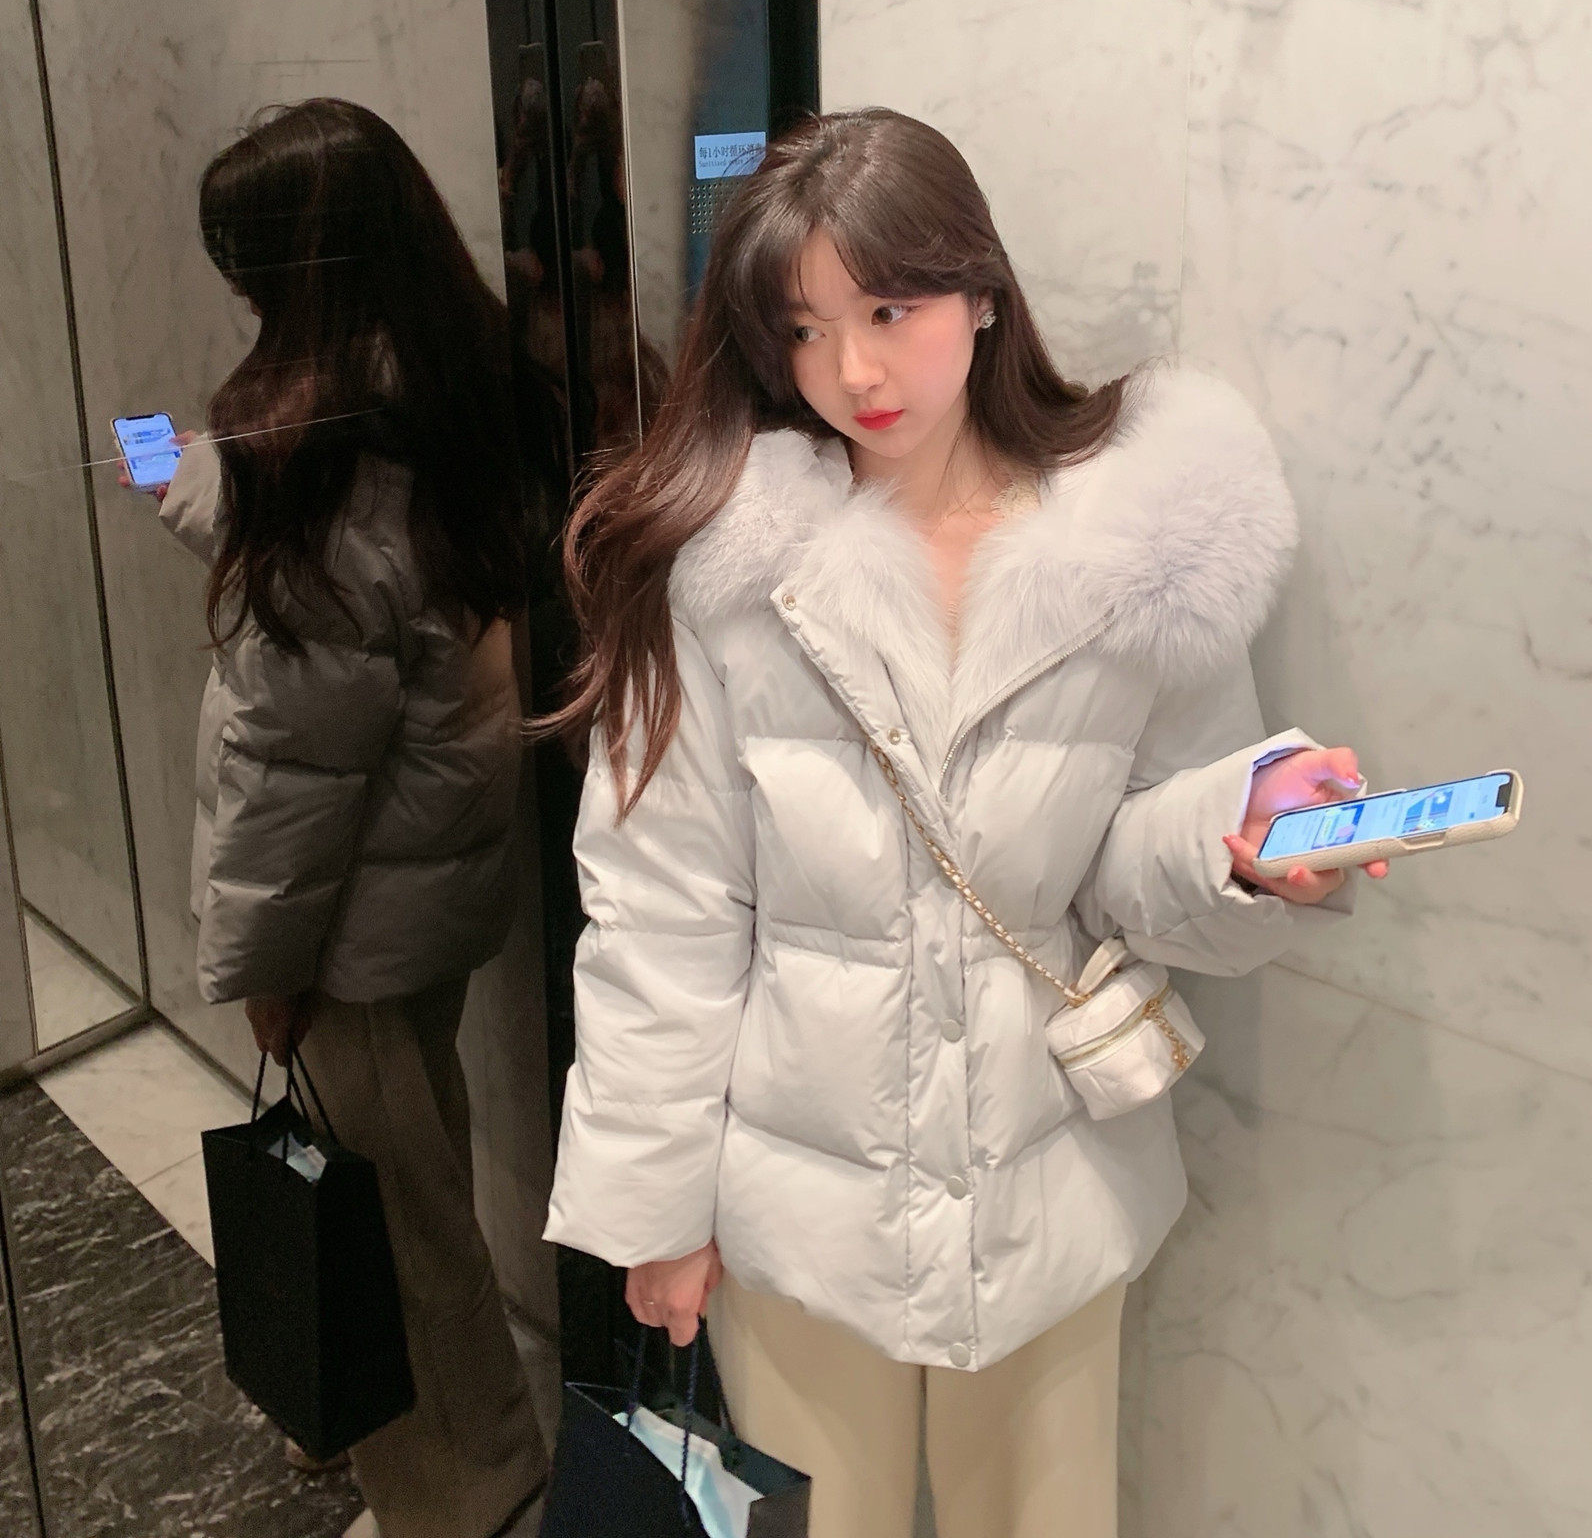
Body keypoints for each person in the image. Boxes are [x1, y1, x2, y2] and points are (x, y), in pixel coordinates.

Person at [541, 109, 1386, 1538]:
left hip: (1049, 1191)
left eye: (891, 310)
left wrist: (1240, 845)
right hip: (803, 1213)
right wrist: (656, 1209)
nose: (854, 372)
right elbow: (663, 909)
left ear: (982, 294)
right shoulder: (723, 564)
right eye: (805, 330)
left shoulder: (1141, 549)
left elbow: (1126, 860)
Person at [150, 100, 548, 1538]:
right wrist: (163, 457)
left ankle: (471, 1484)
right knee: (416, 1182)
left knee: (403, 1228)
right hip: (432, 891)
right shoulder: (452, 389)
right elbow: (352, 596)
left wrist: (271, 971)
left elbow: (292, 771)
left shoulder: (321, 473)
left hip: (349, 932)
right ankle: (432, 1439)